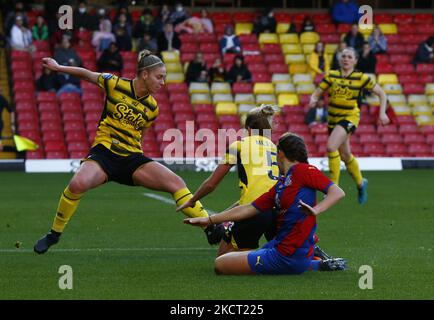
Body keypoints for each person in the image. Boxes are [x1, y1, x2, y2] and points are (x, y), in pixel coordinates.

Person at [33, 50, 224, 254]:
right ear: (144, 74)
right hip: (104, 154)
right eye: (159, 77)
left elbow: (141, 132)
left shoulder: (153, 107)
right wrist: (58, 67)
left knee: (176, 182)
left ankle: (210, 226)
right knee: (77, 183)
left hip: (131, 158)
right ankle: (54, 234)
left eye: (164, 78)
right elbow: (87, 74)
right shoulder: (114, 83)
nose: (163, 82)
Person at [184, 132, 347, 275]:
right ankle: (318, 263)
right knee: (235, 257)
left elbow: (337, 192)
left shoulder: (303, 170)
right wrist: (209, 220)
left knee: (221, 264)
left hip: (286, 255)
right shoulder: (282, 183)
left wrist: (316, 210)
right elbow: (248, 208)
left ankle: (310, 263)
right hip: (281, 247)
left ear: (281, 153)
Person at [309, 47, 390, 204]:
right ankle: (361, 184)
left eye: (349, 56)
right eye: (343, 56)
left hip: (350, 117)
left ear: (355, 60)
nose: (346, 59)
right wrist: (313, 99)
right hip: (332, 119)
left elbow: (382, 93)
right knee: (345, 155)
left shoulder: (360, 77)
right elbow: (318, 91)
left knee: (331, 146)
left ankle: (333, 188)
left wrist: (382, 113)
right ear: (340, 59)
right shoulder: (332, 75)